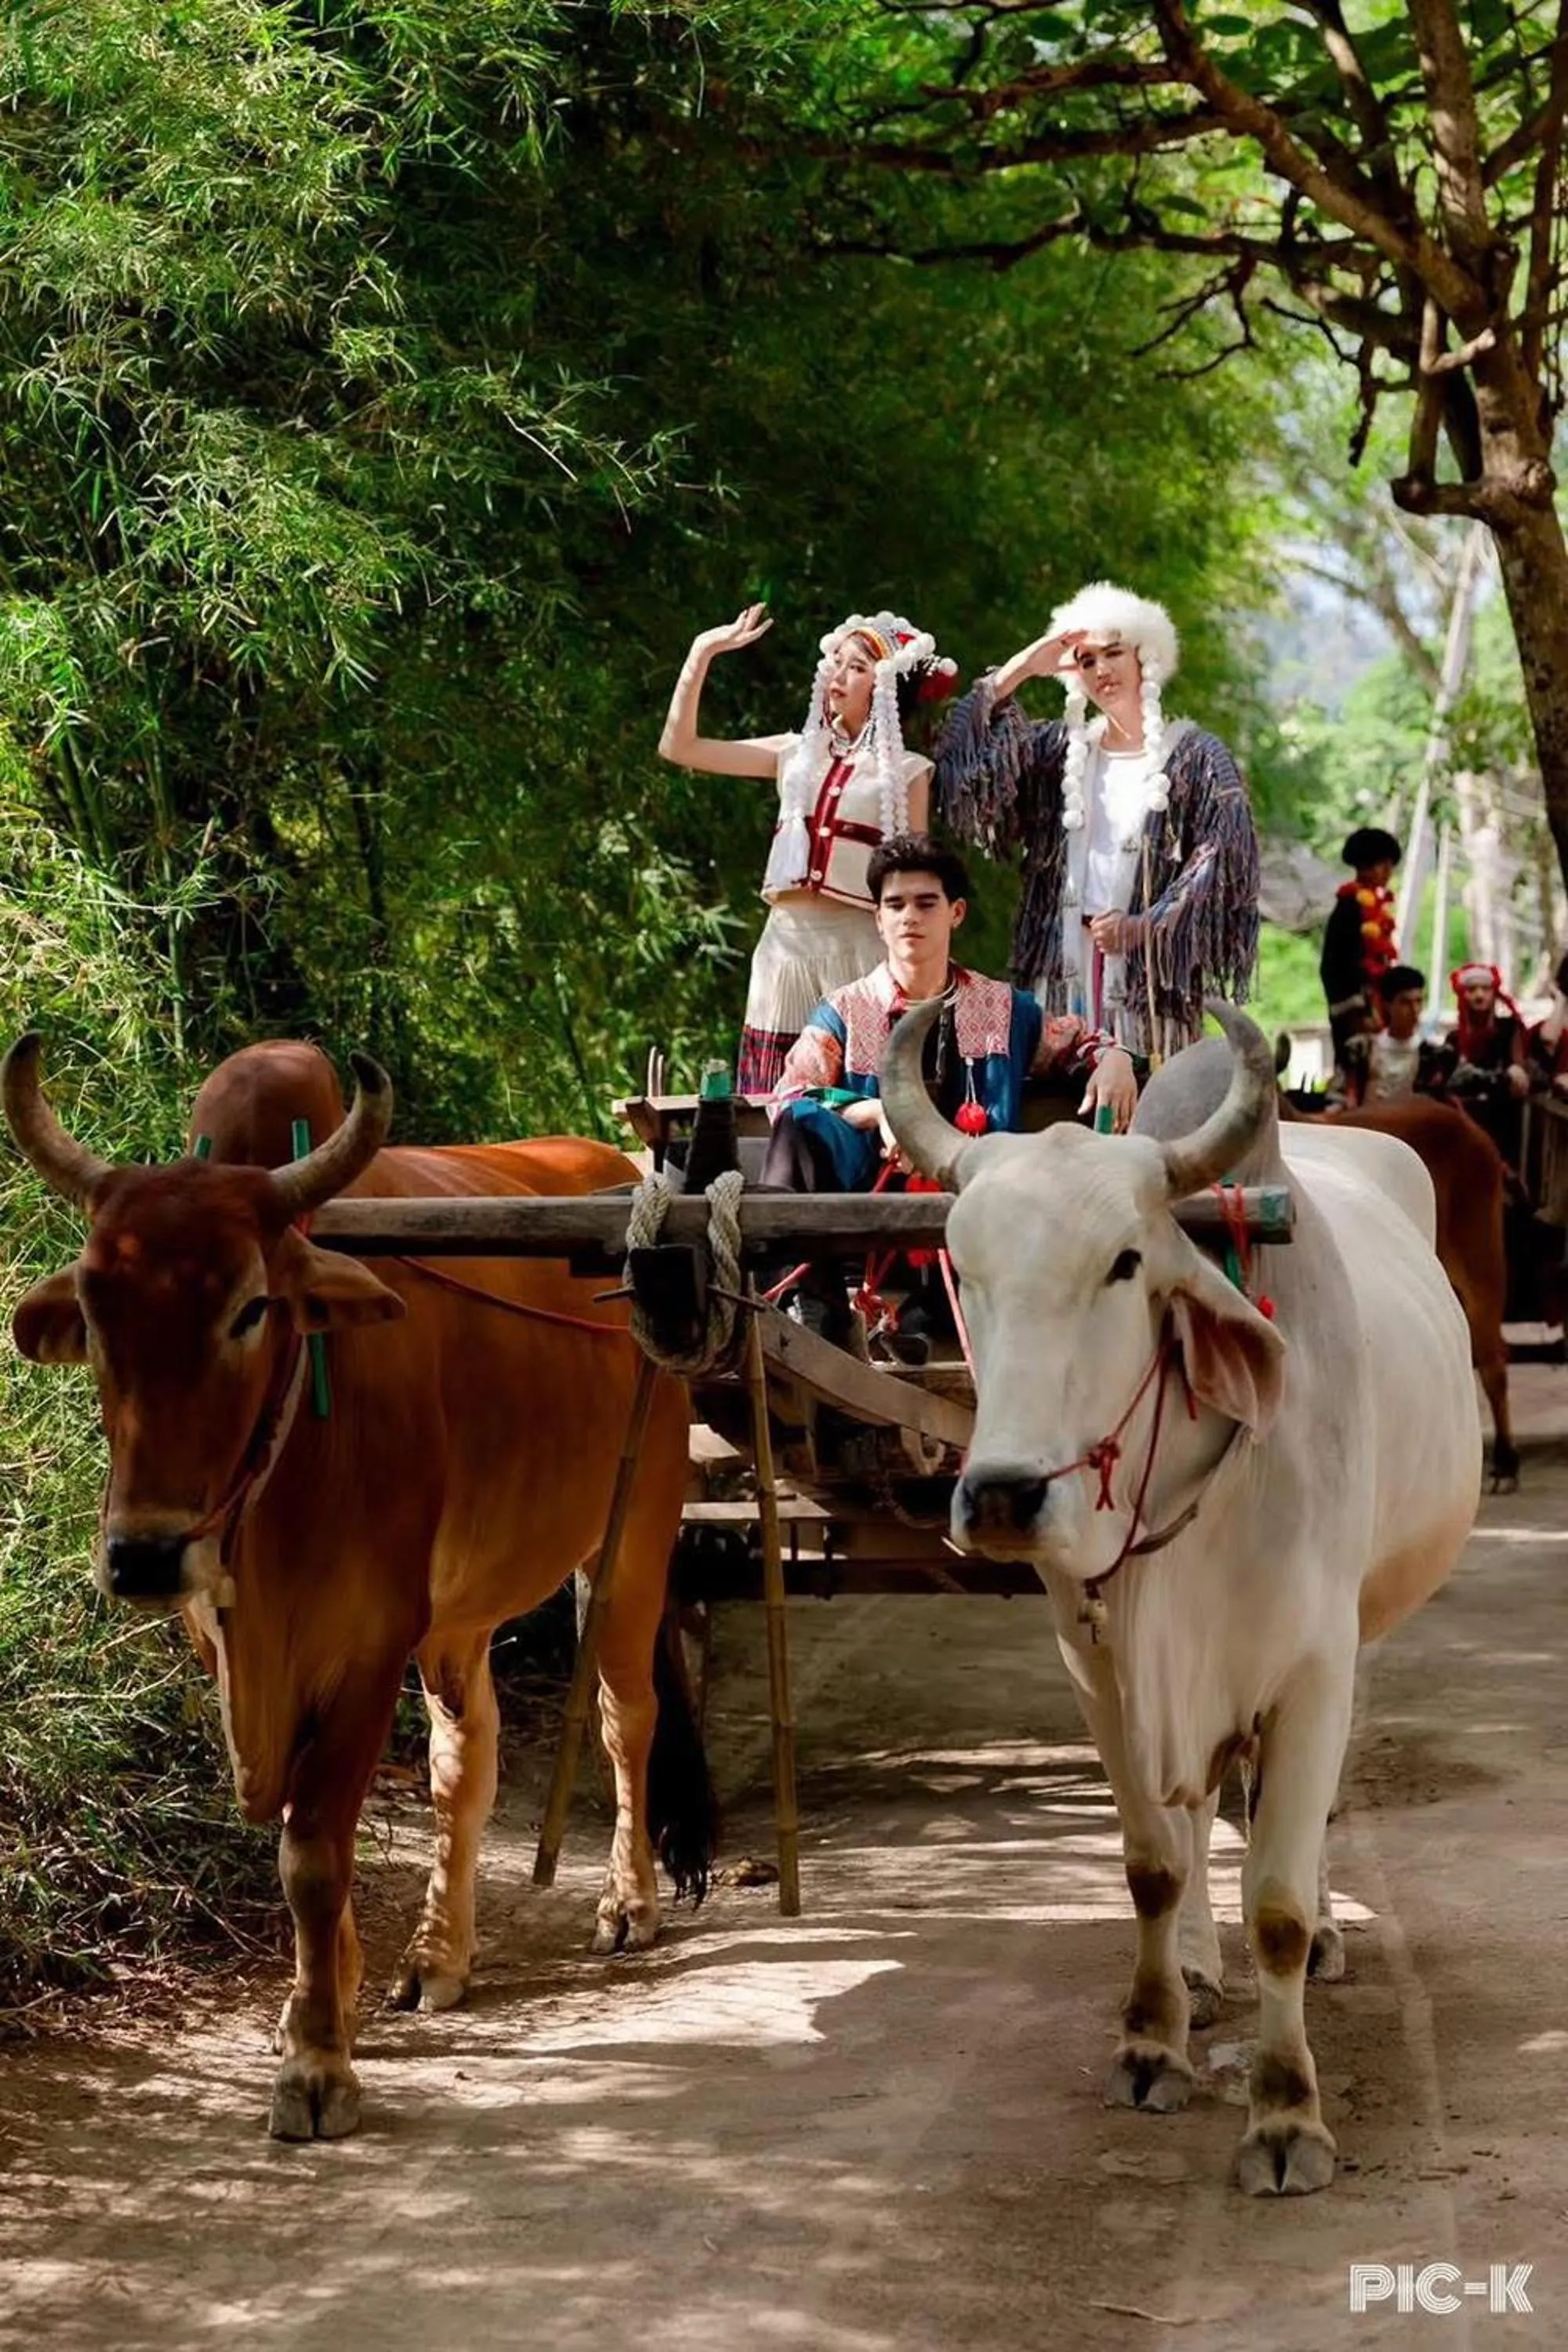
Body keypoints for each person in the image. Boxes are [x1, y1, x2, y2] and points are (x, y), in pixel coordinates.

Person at [763, 832, 1138, 1347]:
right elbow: (789, 1096)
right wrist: (877, 1111)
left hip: (972, 1207)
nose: (909, 917)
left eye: (925, 903)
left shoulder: (1007, 1010)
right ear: (878, 919)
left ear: (955, 913)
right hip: (865, 1198)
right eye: (894, 905)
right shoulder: (844, 1010)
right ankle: (813, 1309)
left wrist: (1114, 1058)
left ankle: (923, 1323)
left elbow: (1080, 1041)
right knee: (797, 1125)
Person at [935, 580, 1259, 1059]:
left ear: (1143, 657)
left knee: (1147, 1119)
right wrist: (1023, 668)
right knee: (1059, 1118)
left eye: (1113, 654)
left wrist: (1146, 925)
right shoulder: (1057, 752)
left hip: (1148, 982)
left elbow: (1224, 857)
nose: (1102, 670)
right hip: (1059, 970)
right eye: (1087, 660)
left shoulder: (1196, 756)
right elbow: (960, 766)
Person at [659, 603, 956, 1096]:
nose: (838, 674)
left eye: (856, 666)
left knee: (862, 1091)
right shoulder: (794, 752)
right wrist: (702, 651)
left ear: (885, 685)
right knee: (773, 1093)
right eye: (835, 661)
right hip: (786, 944)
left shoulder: (907, 771)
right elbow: (681, 747)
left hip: (861, 942)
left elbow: (918, 882)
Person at [1320, 826, 1402, 1068]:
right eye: (1382, 864)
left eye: (1390, 865)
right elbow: (1333, 965)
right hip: (1356, 1010)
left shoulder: (1376, 908)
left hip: (1376, 1003)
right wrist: (1357, 1012)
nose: (1388, 871)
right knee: (1355, 1068)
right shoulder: (1349, 905)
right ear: (1365, 867)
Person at [1440, 960, 1533, 1171]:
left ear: (1495, 993)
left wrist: (1514, 1072)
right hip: (1464, 1130)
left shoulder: (1510, 1029)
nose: (1479, 995)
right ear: (1462, 994)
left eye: (1485, 989)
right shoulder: (1454, 1040)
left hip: (1503, 1130)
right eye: (1471, 990)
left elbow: (1520, 1083)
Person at [1338, 964, 1445, 1105]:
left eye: (1419, 1001)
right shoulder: (1360, 1049)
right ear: (1388, 1005)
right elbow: (1339, 1098)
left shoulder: (1432, 1055)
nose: (1414, 1010)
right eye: (1405, 1003)